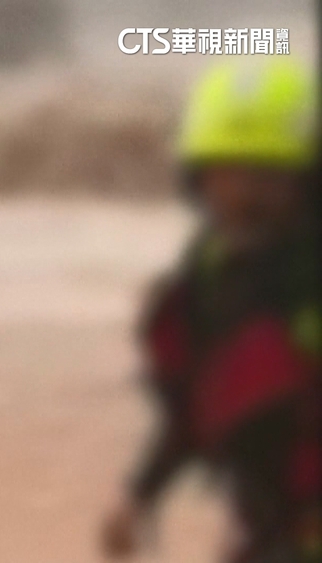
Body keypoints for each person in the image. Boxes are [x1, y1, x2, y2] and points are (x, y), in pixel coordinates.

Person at [101, 59, 319, 563]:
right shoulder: (206, 280)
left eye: (268, 174)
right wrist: (140, 496)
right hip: (267, 529)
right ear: (199, 180)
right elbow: (191, 405)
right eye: (229, 172)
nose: (246, 193)